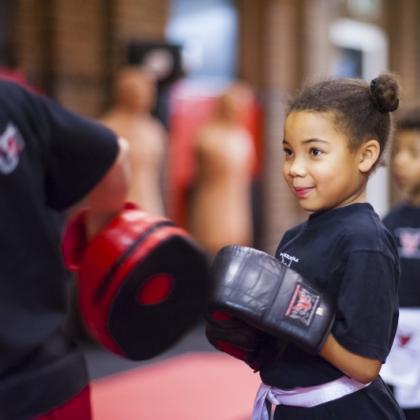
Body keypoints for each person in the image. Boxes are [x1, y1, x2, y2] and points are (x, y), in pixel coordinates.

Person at [380, 106, 420, 420]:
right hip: (396, 345)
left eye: (413, 153)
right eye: (398, 152)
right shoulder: (390, 222)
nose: (400, 161)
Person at [189, 81, 256, 256]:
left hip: (237, 208)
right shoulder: (207, 137)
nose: (236, 110)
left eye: (240, 106)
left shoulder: (243, 137)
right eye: (231, 105)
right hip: (212, 208)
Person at [100, 66, 167, 216]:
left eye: (147, 92)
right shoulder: (108, 128)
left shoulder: (154, 129)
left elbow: (162, 178)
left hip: (150, 204)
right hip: (118, 207)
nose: (143, 97)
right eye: (136, 92)